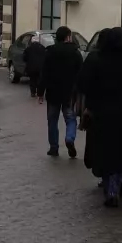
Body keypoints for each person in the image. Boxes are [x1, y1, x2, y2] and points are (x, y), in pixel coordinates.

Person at [79, 27, 122, 207]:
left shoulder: (95, 59)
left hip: (103, 116)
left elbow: (83, 84)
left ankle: (111, 189)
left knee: (107, 152)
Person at [38, 26, 83, 158]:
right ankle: (69, 138)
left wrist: (40, 92)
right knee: (70, 119)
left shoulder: (50, 52)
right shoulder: (75, 53)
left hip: (53, 93)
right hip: (70, 94)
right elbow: (81, 73)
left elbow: (44, 74)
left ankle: (53, 147)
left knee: (52, 120)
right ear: (68, 37)